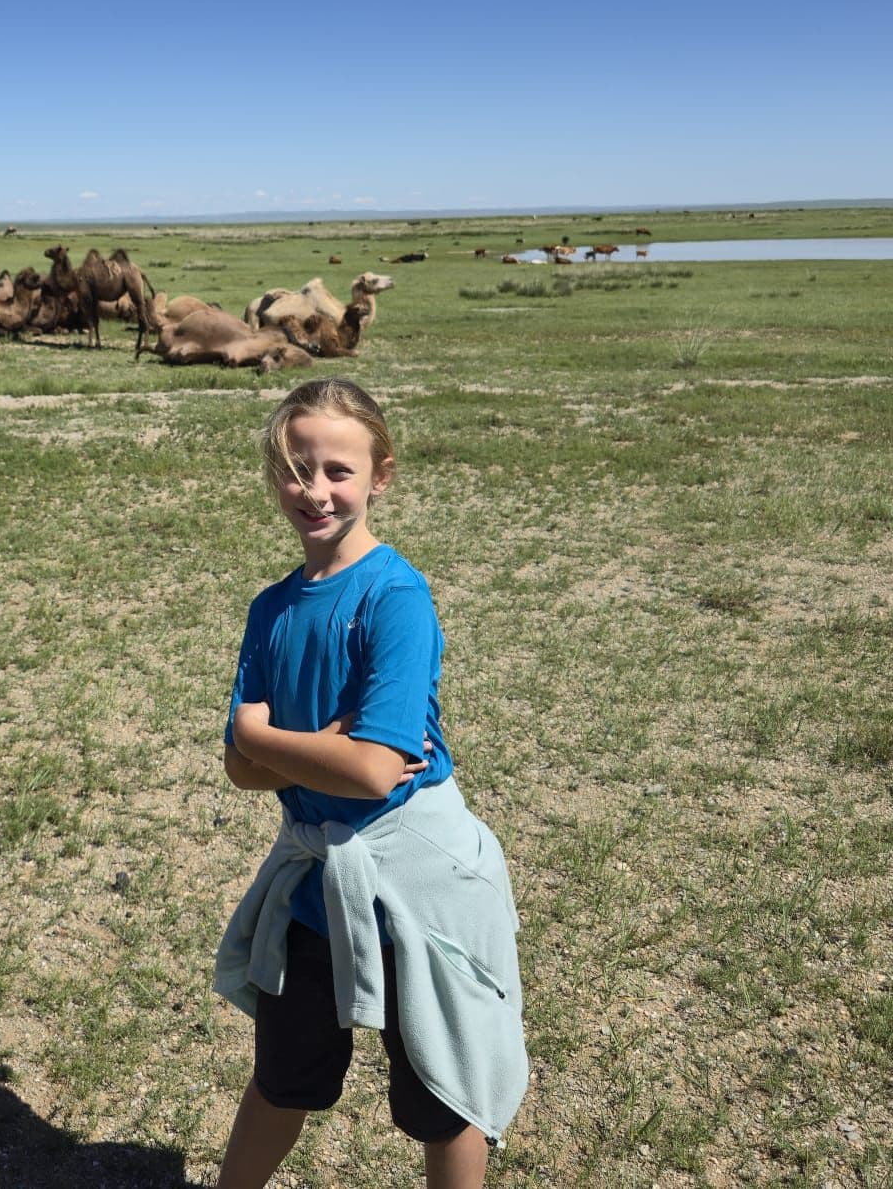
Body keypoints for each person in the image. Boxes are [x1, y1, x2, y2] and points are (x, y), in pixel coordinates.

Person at [212, 378, 527, 1189]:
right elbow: (241, 765)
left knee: (444, 1093)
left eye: (338, 471)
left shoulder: (395, 597)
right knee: (282, 1077)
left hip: (415, 890)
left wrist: (270, 740)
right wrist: (320, 746)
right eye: (295, 469)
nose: (314, 490)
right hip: (316, 890)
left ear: (380, 476)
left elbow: (376, 770)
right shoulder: (271, 609)